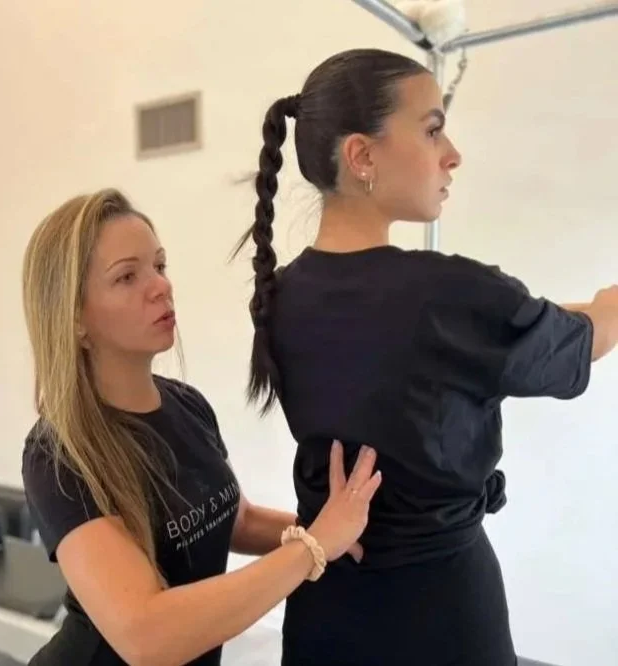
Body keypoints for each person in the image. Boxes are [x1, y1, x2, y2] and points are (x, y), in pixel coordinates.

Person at [234, 48, 618, 666]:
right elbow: (581, 340)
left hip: (325, 601)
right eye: (433, 130)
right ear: (362, 155)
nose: (452, 154)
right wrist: (609, 304)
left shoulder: (282, 296)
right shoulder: (449, 294)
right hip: (440, 616)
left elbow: (480, 333)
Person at [20, 188, 382, 666]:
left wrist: (338, 526)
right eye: (127, 276)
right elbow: (147, 636)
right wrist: (313, 546)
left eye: (160, 265)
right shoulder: (59, 452)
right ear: (75, 319)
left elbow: (236, 520)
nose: (160, 286)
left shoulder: (186, 405)